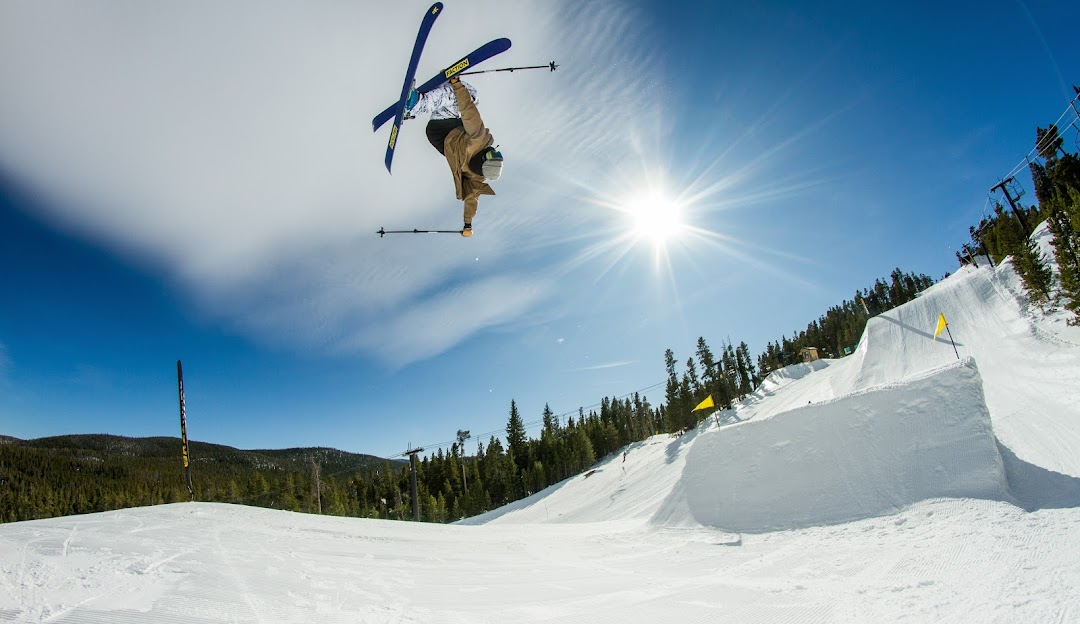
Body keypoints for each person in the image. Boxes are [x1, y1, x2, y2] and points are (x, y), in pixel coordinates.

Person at [406, 77, 503, 237]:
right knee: (468, 96)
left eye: (494, 155)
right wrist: (467, 224)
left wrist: (456, 84)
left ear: (484, 161)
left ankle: (417, 104)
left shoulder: (478, 139)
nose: (494, 150)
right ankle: (428, 100)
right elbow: (471, 202)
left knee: (467, 96)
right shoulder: (475, 179)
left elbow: (467, 109)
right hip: (439, 137)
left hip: (446, 126)